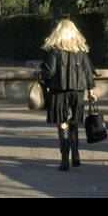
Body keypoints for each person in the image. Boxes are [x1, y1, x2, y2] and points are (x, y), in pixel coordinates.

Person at [37, 19, 98, 171]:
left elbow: (49, 71)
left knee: (62, 122)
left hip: (59, 90)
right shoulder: (81, 51)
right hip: (77, 91)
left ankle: (64, 160)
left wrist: (38, 74)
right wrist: (91, 91)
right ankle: (76, 155)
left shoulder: (54, 50)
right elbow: (88, 72)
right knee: (74, 121)